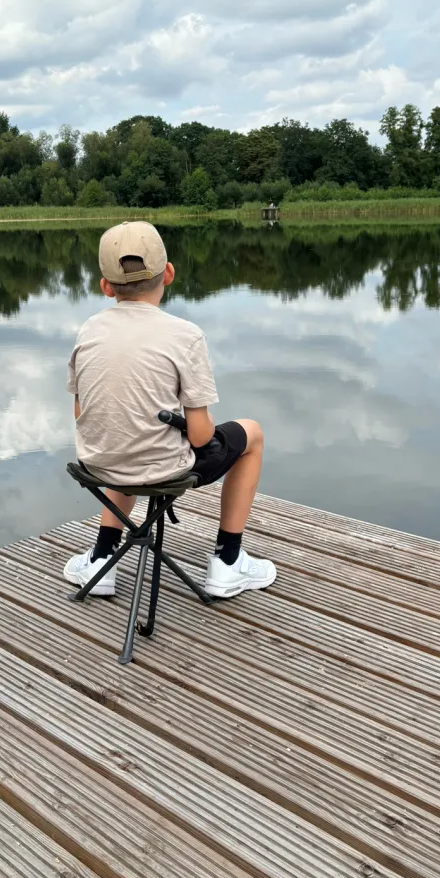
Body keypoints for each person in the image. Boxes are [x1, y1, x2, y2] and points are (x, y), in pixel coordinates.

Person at [64, 220, 277, 600]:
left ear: (105, 286)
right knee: (252, 434)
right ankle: (228, 562)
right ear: (169, 273)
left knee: (123, 430)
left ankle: (102, 558)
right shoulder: (185, 335)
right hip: (162, 469)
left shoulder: (88, 330)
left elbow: (84, 411)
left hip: (98, 464)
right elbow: (199, 435)